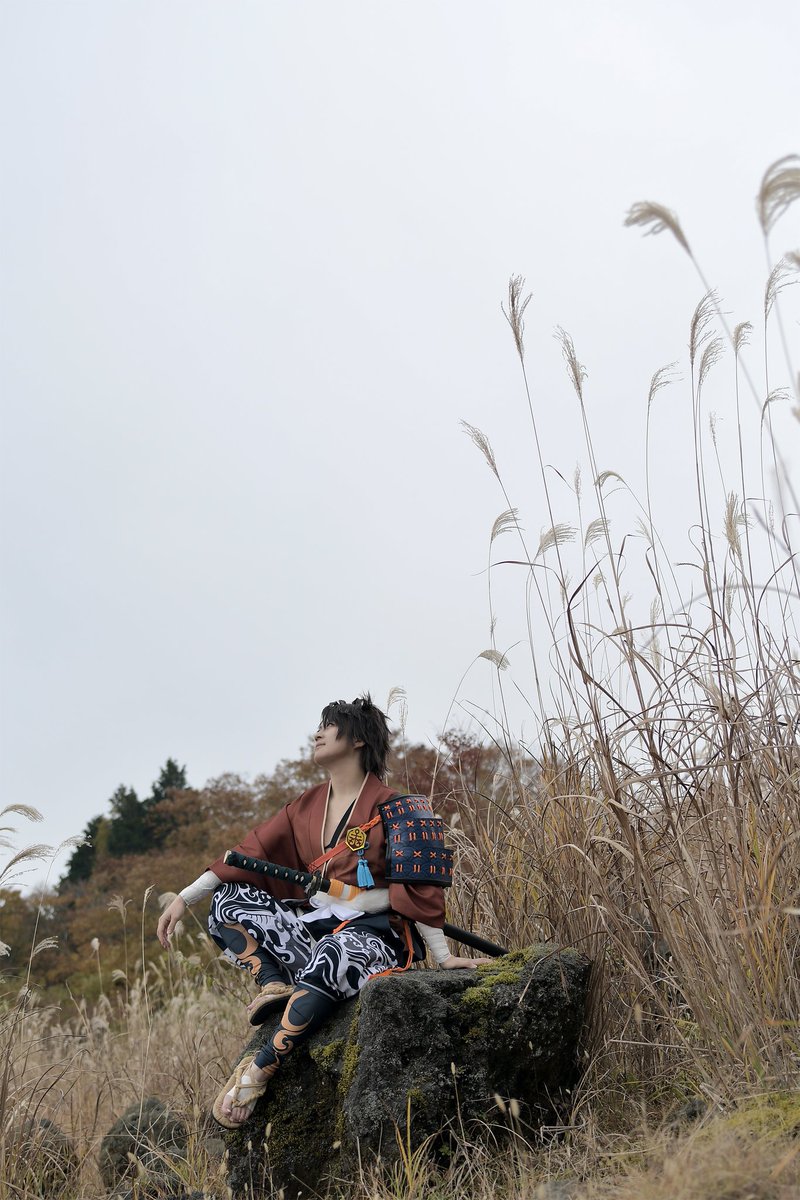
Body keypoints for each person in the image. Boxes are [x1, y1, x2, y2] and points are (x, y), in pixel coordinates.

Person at [157, 694, 489, 1128]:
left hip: (373, 937)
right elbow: (247, 854)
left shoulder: (401, 807)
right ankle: (274, 983)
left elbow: (420, 888)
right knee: (228, 900)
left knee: (335, 953)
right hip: (312, 929)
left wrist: (442, 957)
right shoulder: (305, 805)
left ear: (357, 740)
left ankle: (262, 1065)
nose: (317, 734)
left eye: (327, 726)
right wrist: (184, 898)